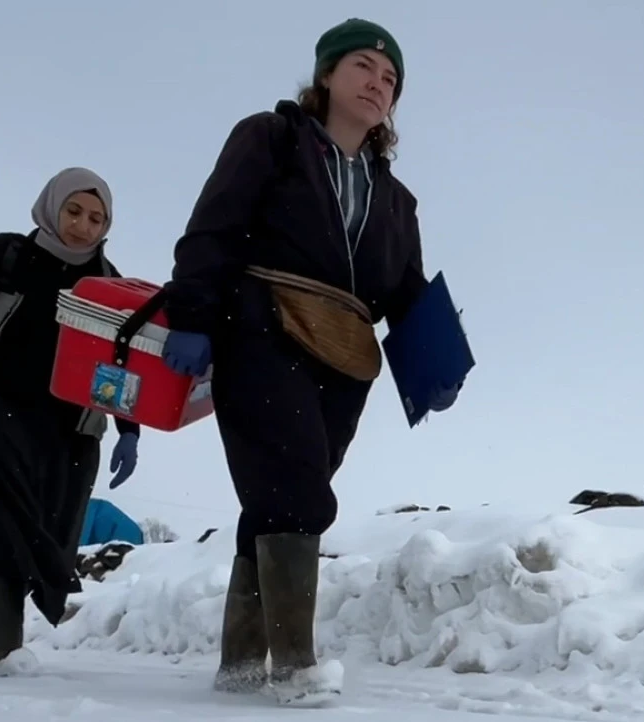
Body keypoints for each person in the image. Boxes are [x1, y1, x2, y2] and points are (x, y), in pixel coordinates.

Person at [159, 19, 459, 704]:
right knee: (296, 487)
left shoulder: (395, 197)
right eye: (363, 67)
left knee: (276, 497)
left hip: (347, 357)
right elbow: (214, 225)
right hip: (263, 325)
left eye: (390, 80)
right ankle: (295, 665)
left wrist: (434, 363)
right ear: (325, 74)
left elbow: (405, 288)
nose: (377, 84)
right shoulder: (271, 138)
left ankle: (239, 664)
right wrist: (195, 316)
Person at [0, 167, 141, 674]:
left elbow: (121, 362)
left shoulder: (106, 281)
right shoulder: (7, 254)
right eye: (74, 211)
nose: (83, 226)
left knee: (46, 530)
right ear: (51, 206)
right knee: (1, 521)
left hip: (66, 427)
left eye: (96, 218)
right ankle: (4, 651)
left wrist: (129, 429)